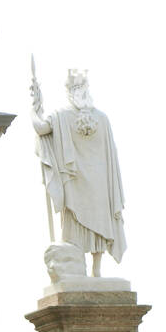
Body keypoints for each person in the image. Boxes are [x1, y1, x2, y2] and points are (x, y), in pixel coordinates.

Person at [31, 66, 126, 275]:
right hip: (93, 182)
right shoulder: (96, 117)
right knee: (89, 221)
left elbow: (40, 127)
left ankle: (92, 270)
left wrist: (34, 109)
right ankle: (92, 270)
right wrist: (36, 106)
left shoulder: (64, 116)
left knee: (81, 220)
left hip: (82, 182)